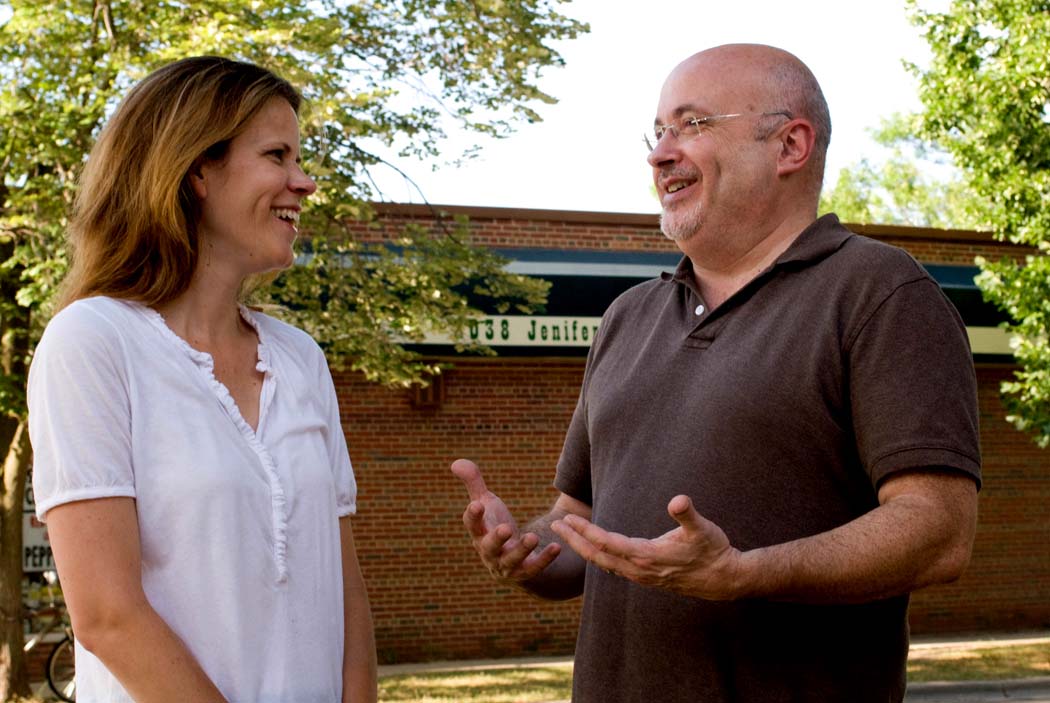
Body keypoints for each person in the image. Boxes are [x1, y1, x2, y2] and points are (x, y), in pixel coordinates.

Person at [452, 43, 980, 703]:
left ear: (791, 145)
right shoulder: (628, 316)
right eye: (659, 131)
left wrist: (748, 572)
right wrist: (528, 548)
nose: (660, 153)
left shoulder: (880, 293)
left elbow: (938, 532)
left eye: (693, 124)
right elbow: (580, 521)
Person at [28, 56, 377, 703]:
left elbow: (345, 593)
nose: (304, 183)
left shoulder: (301, 358)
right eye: (278, 154)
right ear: (196, 170)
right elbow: (108, 616)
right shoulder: (93, 342)